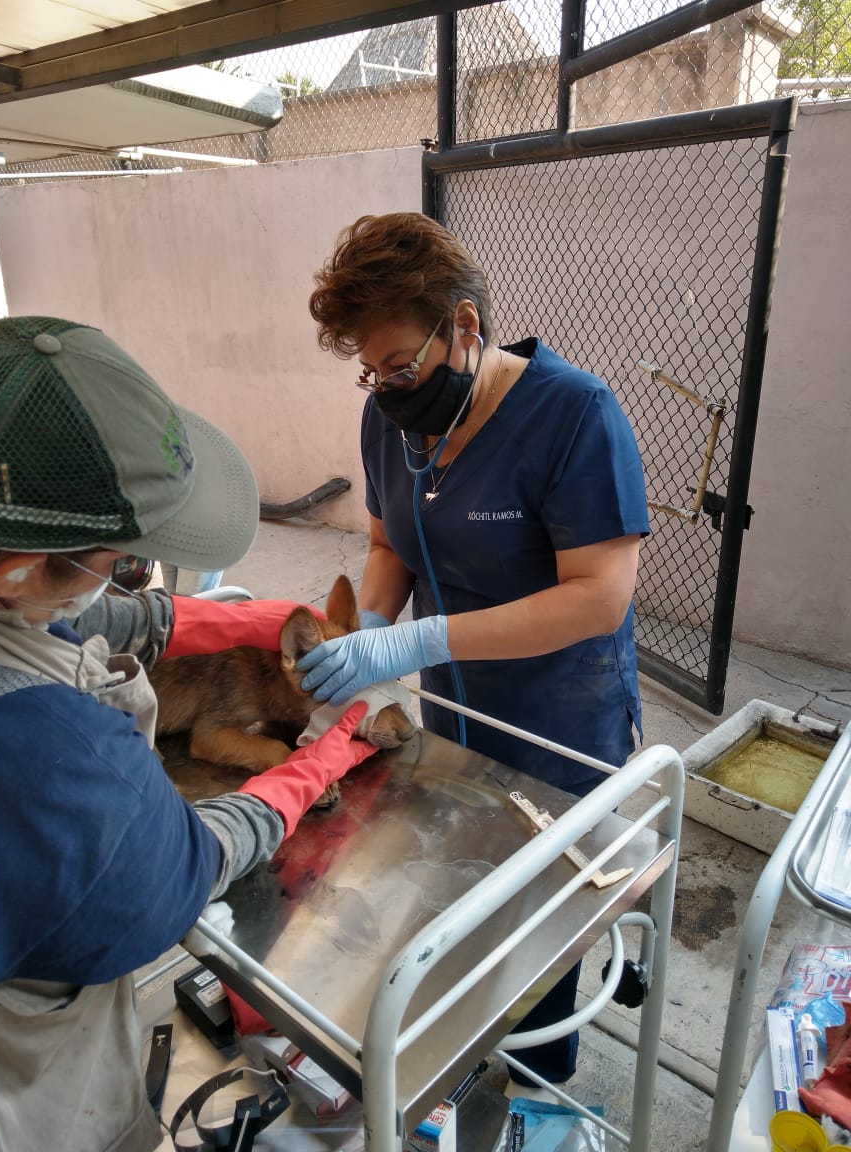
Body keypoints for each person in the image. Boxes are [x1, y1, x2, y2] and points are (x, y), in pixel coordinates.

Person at [0, 315, 378, 1152]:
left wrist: (232, 618)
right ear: (16, 571)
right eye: (115, 553)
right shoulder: (49, 748)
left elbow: (102, 614)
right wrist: (300, 776)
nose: (129, 569)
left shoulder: (12, 595)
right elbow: (178, 872)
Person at [300, 212, 650, 1086]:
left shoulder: (575, 416)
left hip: (559, 722)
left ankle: (541, 1085)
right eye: (369, 371)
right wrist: (374, 632)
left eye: (401, 365)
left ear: (464, 325)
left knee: (548, 923)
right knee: (460, 889)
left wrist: (421, 637)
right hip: (454, 710)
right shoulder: (393, 422)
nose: (385, 388)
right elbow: (388, 542)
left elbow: (599, 599)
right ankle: (461, 1058)